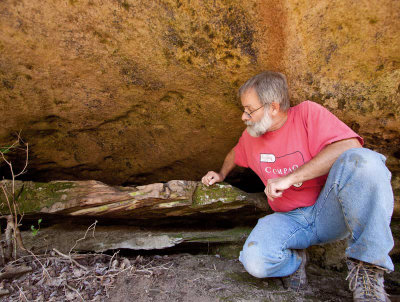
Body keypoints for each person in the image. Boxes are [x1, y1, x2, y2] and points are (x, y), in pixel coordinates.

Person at [201, 71, 394, 302]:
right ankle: (294, 262)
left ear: (273, 107)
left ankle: (368, 270)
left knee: (366, 162)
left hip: (328, 211)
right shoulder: (251, 135)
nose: (244, 116)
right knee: (255, 260)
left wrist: (290, 178)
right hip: (288, 219)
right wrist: (221, 173)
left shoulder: (307, 114)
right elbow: (236, 152)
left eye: (249, 109)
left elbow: (350, 146)